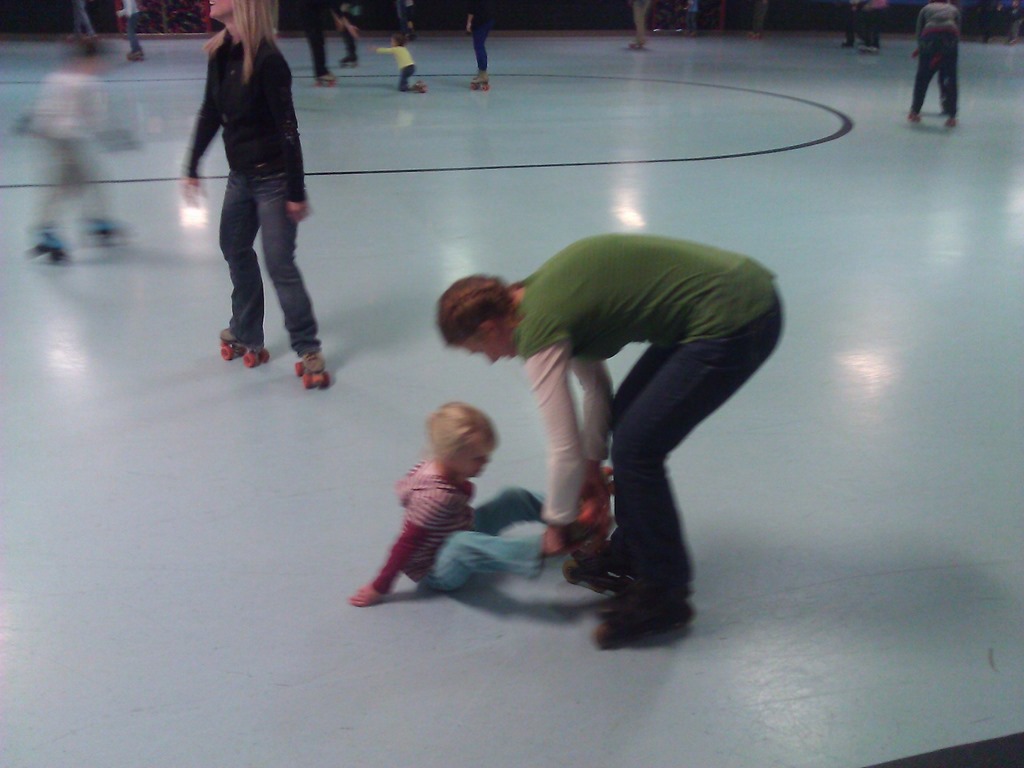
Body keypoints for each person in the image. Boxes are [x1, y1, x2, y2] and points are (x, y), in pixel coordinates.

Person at [437, 234, 783, 649]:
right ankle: (635, 551)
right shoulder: (535, 298)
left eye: (480, 350)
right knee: (629, 425)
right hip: (731, 294)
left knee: (638, 451)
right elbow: (597, 388)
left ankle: (664, 596)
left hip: (739, 316)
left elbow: (563, 447)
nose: (492, 359)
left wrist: (557, 524)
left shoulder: (536, 329)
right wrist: (591, 469)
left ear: (490, 327)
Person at [183, 0, 330, 389]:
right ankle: (246, 330)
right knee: (234, 248)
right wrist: (192, 164)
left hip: (274, 181)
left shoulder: (268, 61)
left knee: (279, 263)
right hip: (240, 178)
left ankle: (308, 347)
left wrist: (295, 190)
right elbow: (210, 111)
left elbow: (288, 129)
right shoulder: (221, 53)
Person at [349, 403, 568, 607]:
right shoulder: (434, 499)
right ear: (450, 456)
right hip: (439, 569)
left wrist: (462, 480)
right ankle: (542, 547)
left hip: (458, 526)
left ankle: (565, 514)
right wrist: (379, 587)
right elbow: (405, 545)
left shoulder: (440, 466)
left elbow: (464, 495)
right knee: (462, 543)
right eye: (478, 458)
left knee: (512, 497)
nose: (486, 462)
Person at [28, 39, 124, 263]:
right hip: (71, 140)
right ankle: (48, 230)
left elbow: (41, 111)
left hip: (52, 139)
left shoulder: (55, 78)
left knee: (81, 181)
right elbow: (96, 119)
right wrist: (113, 136)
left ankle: (96, 219)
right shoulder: (89, 84)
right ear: (93, 60)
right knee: (69, 184)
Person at [908, 0, 960, 128]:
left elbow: (919, 30)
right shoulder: (954, 9)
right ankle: (952, 117)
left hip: (930, 38)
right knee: (950, 78)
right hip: (950, 38)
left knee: (922, 77)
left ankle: (914, 112)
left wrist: (921, 47)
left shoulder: (926, 9)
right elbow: (958, 30)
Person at [302, 0, 339, 86]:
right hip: (309, 12)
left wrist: (338, 17)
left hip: (313, 12)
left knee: (319, 41)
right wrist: (340, 18)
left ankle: (321, 71)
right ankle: (321, 73)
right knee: (316, 41)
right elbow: (331, 3)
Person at [466, 0, 495, 90]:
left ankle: (483, 73)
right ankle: (481, 72)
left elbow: (472, 8)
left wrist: (469, 23)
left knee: (479, 46)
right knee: (479, 45)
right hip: (488, 19)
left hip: (480, 21)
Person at [332, 3, 360, 67]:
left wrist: (353, 26)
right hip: (345, 28)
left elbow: (351, 19)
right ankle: (352, 58)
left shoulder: (348, 11)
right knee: (350, 43)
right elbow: (343, 22)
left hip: (347, 27)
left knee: (350, 43)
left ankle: (352, 58)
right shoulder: (343, 12)